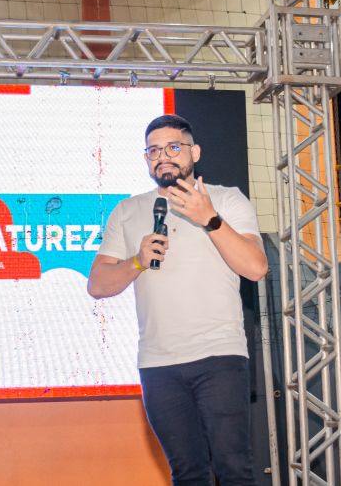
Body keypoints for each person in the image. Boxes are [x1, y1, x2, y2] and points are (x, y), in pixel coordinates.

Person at [87, 114, 267, 486]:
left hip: (219, 356)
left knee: (234, 471)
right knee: (187, 474)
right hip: (158, 364)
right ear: (146, 159)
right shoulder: (128, 211)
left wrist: (210, 218)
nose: (163, 156)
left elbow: (255, 267)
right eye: (153, 151)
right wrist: (137, 261)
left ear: (194, 152)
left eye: (173, 147)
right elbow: (98, 285)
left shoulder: (226, 199)